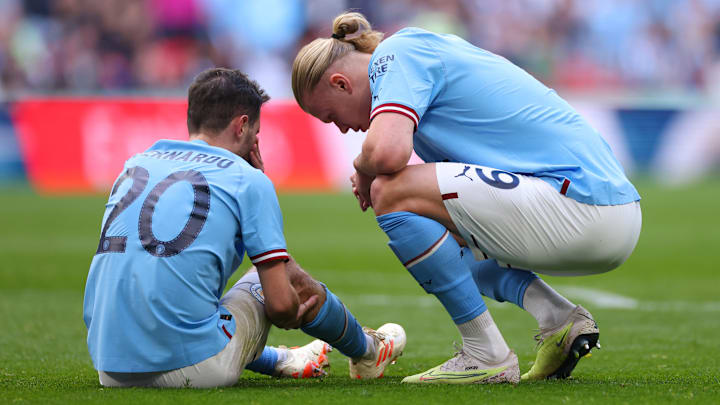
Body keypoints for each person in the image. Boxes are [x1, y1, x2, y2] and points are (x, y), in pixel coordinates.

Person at [291, 12, 641, 384]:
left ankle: (484, 353)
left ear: (341, 83)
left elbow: (387, 154)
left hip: (582, 204)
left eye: (332, 117)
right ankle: (558, 319)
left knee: (388, 190)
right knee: (442, 232)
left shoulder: (396, 53)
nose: (343, 128)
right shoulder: (415, 65)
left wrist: (362, 166)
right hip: (601, 211)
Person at [82, 68, 406, 388]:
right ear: (242, 125)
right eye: (256, 133)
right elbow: (281, 306)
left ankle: (283, 359)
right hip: (194, 368)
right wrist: (295, 305)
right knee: (278, 276)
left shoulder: (135, 164)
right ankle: (367, 351)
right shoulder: (246, 179)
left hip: (111, 368)